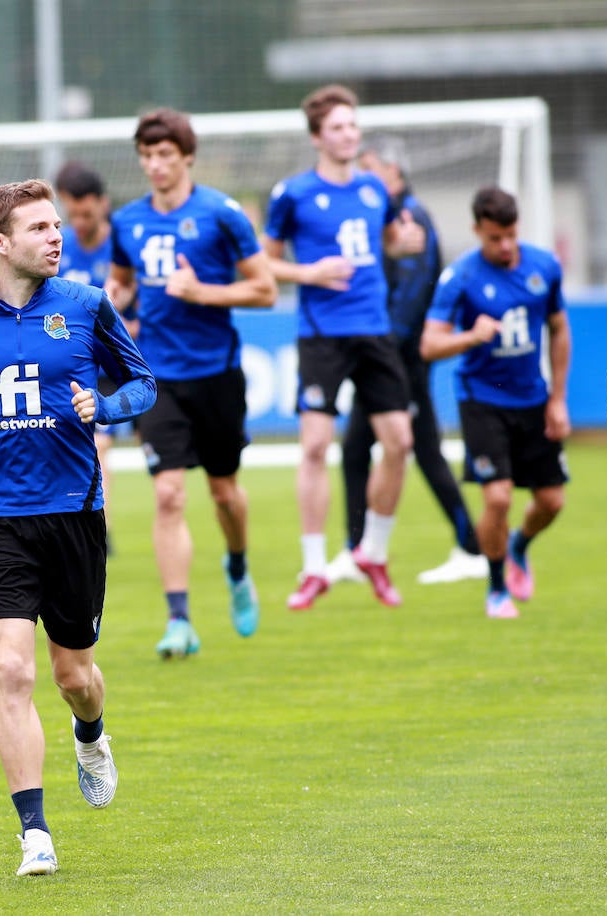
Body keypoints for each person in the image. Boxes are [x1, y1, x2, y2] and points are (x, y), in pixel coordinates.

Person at [0, 179, 156, 876]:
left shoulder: (85, 306)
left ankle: (92, 735)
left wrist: (104, 409)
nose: (58, 237)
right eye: (40, 229)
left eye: (58, 226)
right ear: (1, 243)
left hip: (75, 518)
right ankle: (35, 834)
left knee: (74, 674)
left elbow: (143, 383)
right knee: (12, 668)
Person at [103, 107, 276, 658]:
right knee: (169, 494)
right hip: (157, 377)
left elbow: (265, 290)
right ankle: (179, 620)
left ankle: (238, 566)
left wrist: (205, 292)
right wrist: (110, 302)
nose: (155, 166)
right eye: (146, 157)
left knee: (225, 494)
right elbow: (122, 283)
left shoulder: (222, 214)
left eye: (165, 156)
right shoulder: (128, 221)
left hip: (217, 375)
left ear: (187, 157)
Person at [262, 85, 426, 612]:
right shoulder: (292, 193)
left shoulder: (376, 189)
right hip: (322, 336)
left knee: (399, 442)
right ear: (317, 137)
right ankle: (314, 568)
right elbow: (264, 264)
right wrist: (306, 272)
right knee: (314, 446)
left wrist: (405, 243)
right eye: (337, 127)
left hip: (375, 331)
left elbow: (387, 242)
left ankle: (372, 553)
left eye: (353, 125)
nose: (348, 134)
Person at [325, 140, 486, 590]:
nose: (361, 173)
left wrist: (382, 349)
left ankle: (470, 548)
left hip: (399, 359)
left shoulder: (410, 216)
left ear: (393, 169)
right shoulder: (386, 216)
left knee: (420, 449)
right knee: (360, 448)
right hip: (386, 356)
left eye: (369, 165)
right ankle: (359, 551)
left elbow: (413, 296)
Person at [420, 186, 571, 620]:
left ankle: (518, 545)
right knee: (499, 498)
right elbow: (429, 345)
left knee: (551, 502)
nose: (504, 246)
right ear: (476, 232)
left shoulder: (544, 266)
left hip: (532, 398)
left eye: (510, 235)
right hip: (481, 398)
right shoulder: (461, 277)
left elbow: (559, 329)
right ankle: (496, 586)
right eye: (493, 238)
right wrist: (470, 336)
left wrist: (557, 399)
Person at [54, 161, 136, 555]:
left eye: (87, 213)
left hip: (120, 365)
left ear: (103, 204)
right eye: (73, 214)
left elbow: (146, 312)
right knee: (86, 446)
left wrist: (120, 325)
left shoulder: (124, 246)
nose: (80, 222)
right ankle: (92, 527)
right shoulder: (59, 248)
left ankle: (98, 525)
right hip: (77, 368)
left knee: (100, 447)